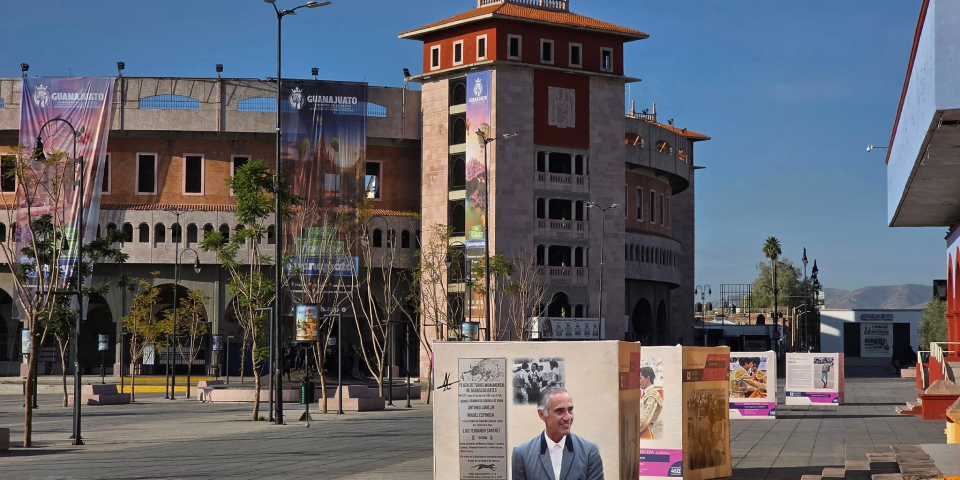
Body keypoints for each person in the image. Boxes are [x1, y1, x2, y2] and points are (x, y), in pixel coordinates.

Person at [512, 386, 603, 480]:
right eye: (560, 411)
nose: (568, 417)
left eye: (570, 410)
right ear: (542, 414)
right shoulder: (522, 454)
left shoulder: (589, 452)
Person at [638, 366, 663, 440]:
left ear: (648, 378)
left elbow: (643, 422)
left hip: (644, 434)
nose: (638, 381)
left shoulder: (652, 396)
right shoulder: (648, 394)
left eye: (640, 378)